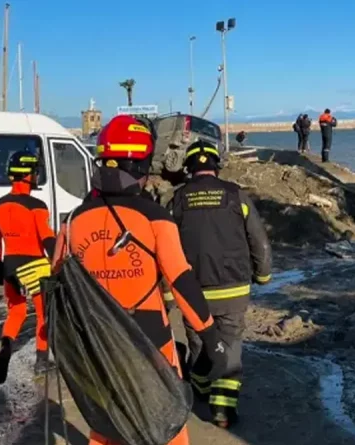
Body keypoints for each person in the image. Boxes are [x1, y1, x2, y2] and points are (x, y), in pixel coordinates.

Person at [51, 115, 228, 445]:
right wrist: (210, 336)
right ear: (141, 166)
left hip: (96, 340)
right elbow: (182, 280)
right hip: (149, 339)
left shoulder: (73, 220)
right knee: (165, 426)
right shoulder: (156, 218)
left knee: (107, 428)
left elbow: (56, 284)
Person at [168, 139, 272, 429]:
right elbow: (259, 240)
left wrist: (166, 294)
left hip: (192, 290)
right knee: (230, 343)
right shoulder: (235, 195)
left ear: (188, 168)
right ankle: (223, 410)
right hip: (234, 288)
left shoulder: (177, 199)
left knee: (199, 342)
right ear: (216, 165)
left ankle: (200, 391)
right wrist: (263, 275)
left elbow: (165, 247)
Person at [0, 150, 56, 383]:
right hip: (36, 266)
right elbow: (47, 238)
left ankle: (6, 345)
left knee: (16, 311)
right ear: (28, 175)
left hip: (10, 266)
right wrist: (59, 260)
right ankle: (41, 362)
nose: (37, 176)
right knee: (43, 315)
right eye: (35, 172)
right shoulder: (36, 205)